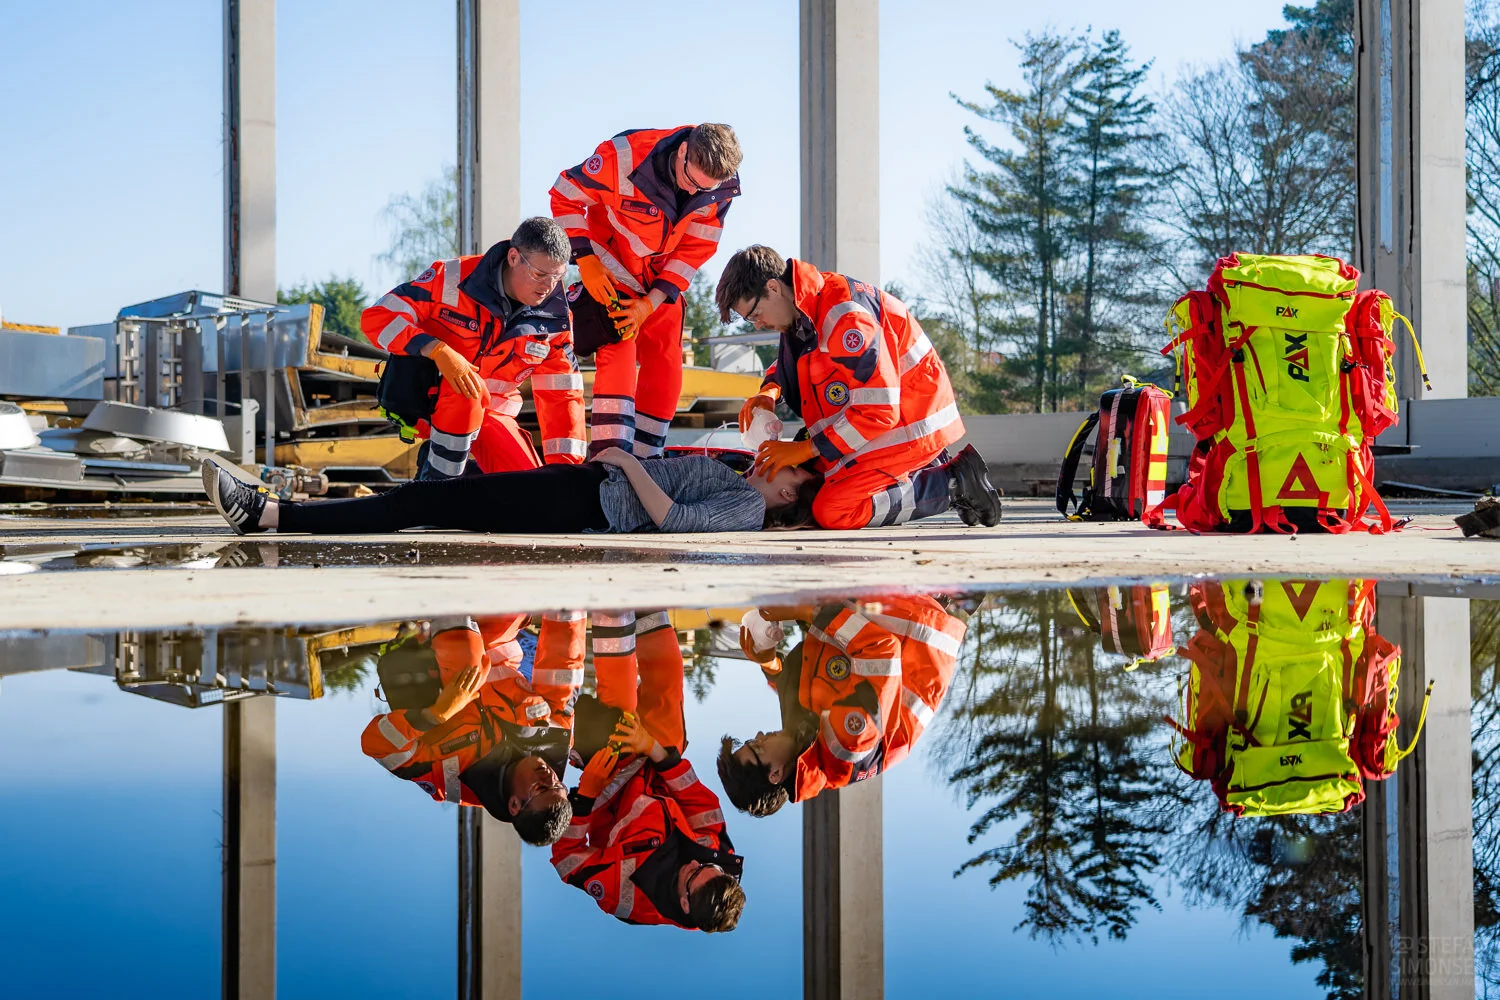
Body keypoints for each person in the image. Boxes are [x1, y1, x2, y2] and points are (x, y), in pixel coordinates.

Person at [715, 245, 1004, 529]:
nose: (756, 325)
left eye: (753, 314)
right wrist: (770, 391)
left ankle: (954, 483)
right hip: (883, 424)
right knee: (812, 488)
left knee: (833, 510)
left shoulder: (845, 318)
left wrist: (807, 449)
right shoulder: (806, 310)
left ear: (774, 288)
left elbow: (879, 410)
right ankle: (923, 472)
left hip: (908, 427)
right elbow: (807, 362)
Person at [550, 124, 743, 458]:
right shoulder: (624, 157)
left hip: (658, 279)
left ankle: (647, 456)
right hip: (611, 267)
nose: (696, 192)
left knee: (667, 347)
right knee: (618, 339)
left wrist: (650, 304)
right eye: (692, 181)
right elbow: (565, 194)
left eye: (705, 188)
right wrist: (586, 261)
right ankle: (610, 457)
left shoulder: (719, 189)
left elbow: (693, 252)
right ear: (682, 151)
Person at [362, 216, 586, 479]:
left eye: (557, 276)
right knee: (466, 393)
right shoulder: (451, 279)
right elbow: (379, 317)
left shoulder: (555, 320)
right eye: (539, 274)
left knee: (530, 491)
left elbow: (562, 395)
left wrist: (566, 471)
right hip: (431, 404)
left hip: (492, 414)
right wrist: (436, 349)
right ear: (513, 257)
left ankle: (472, 482)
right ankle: (437, 485)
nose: (548, 287)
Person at [200, 445, 819, 536]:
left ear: (790, 495)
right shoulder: (742, 480)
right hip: (583, 489)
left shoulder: (744, 507)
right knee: (432, 495)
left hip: (586, 504)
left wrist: (628, 462)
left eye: (796, 468)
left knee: (423, 501)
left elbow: (676, 522)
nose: (786, 458)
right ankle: (276, 511)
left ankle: (269, 514)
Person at [716, 595, 966, 817]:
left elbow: (796, 695)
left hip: (900, 610)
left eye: (752, 740)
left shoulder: (804, 747)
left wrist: (770, 664)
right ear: (775, 775)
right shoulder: (847, 744)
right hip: (920, 615)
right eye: (757, 748)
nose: (759, 736)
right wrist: (807, 613)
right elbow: (881, 651)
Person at [360, 612, 586, 846]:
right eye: (558, 784)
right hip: (496, 637)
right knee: (515, 600)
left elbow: (378, 746)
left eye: (541, 788)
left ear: (514, 805)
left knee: (469, 664)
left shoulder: (451, 779)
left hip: (426, 645)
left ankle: (449, 597)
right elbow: (564, 671)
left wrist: (436, 715)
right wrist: (568, 611)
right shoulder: (556, 740)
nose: (550, 775)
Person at [552, 715, 745, 931]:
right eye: (706, 866)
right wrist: (651, 746)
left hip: (606, 783)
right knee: (667, 713)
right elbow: (695, 796)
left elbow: (566, 859)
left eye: (692, 874)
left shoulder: (626, 897)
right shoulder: (719, 855)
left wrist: (586, 795)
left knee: (585, 718)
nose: (693, 863)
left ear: (684, 903)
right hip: (653, 761)